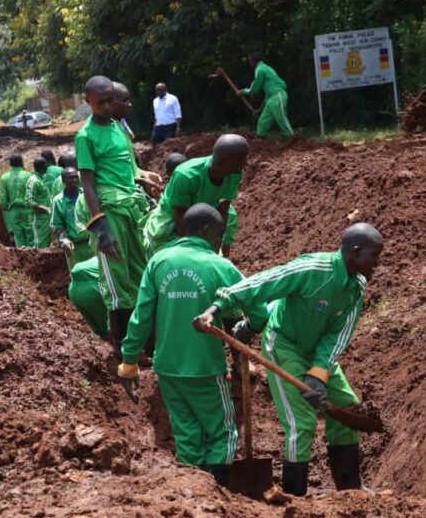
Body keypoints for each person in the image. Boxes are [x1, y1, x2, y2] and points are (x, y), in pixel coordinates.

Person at [194, 223, 384, 496]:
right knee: (301, 422)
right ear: (355, 252)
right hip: (283, 345)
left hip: (317, 350)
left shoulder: (357, 287)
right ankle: (295, 496)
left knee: (348, 409)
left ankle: (350, 491)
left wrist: (319, 374)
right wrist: (216, 308)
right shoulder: (312, 270)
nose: (378, 262)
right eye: (374, 255)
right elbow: (262, 283)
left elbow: (338, 336)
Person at [117, 205, 246, 486]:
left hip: (168, 368)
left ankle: (195, 495)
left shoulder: (159, 262)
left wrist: (129, 361)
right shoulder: (221, 266)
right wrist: (247, 334)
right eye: (219, 235)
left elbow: (141, 316)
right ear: (207, 230)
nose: (220, 242)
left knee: (187, 434)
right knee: (223, 432)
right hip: (206, 368)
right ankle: (219, 492)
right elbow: (255, 306)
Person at [74, 75, 161, 353]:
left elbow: (126, 169)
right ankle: (123, 347)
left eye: (111, 100)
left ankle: (143, 345)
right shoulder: (85, 136)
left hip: (132, 209)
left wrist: (143, 176)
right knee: (116, 282)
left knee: (139, 275)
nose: (108, 106)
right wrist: (101, 229)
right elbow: (88, 183)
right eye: (101, 102)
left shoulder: (119, 129)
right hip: (109, 211)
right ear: (88, 102)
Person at [144, 135, 247, 258]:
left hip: (203, 224)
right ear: (230, 162)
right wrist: (194, 254)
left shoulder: (235, 174)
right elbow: (181, 219)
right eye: (244, 159)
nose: (246, 163)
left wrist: (214, 246)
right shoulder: (186, 176)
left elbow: (223, 212)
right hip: (171, 226)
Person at [242, 51, 294, 138]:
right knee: (263, 120)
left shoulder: (260, 70)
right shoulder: (264, 68)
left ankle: (292, 138)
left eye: (250, 61)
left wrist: (243, 91)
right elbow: (268, 92)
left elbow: (255, 88)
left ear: (254, 61)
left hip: (278, 95)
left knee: (281, 118)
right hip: (271, 98)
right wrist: (260, 109)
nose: (249, 63)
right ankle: (259, 137)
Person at [51, 166, 91, 268]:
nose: (74, 180)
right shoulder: (59, 201)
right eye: (71, 178)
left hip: (92, 242)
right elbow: (57, 225)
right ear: (64, 181)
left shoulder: (87, 194)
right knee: (79, 277)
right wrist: (64, 239)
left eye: (76, 177)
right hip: (74, 247)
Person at [69, 258, 110, 339]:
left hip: (73, 289)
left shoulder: (99, 257)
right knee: (108, 322)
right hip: (92, 290)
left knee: (94, 324)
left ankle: (103, 339)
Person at [24, 157, 54, 248]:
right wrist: (45, 208)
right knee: (39, 242)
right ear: (44, 167)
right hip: (38, 218)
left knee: (46, 242)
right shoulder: (33, 181)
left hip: (45, 218)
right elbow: (29, 201)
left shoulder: (40, 179)